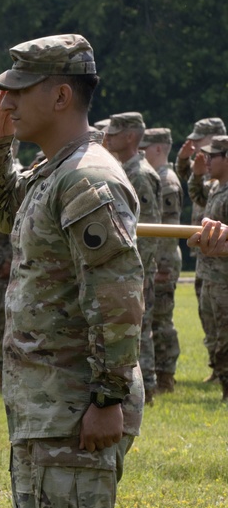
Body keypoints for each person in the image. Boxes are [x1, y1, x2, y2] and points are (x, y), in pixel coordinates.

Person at [0, 34, 143, 508]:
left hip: (76, 404)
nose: (6, 100)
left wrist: (106, 397)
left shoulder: (87, 179)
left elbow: (117, 298)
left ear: (62, 94)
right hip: (50, 403)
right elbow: (0, 211)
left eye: (19, 90)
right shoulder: (54, 171)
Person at [104, 112, 161, 403]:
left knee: (141, 325)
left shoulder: (140, 173)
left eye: (114, 131)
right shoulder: (125, 169)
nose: (108, 135)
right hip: (126, 266)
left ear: (129, 136)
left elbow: (149, 230)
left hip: (137, 267)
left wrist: (139, 270)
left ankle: (148, 388)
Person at [177, 117, 225, 381]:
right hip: (205, 253)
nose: (195, 145)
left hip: (220, 258)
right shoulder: (210, 174)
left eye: (200, 141)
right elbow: (194, 189)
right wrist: (187, 164)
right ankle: (217, 367)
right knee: (208, 312)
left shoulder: (220, 167)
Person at [141, 128, 183, 394]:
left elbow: (168, 228)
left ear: (158, 149)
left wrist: (163, 265)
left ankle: (165, 376)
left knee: (161, 321)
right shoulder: (158, 177)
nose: (140, 151)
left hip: (164, 258)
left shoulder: (167, 181)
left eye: (145, 147)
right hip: (160, 258)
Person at [192, 137, 228, 401]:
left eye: (212, 156)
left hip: (224, 277)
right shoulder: (216, 188)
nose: (207, 161)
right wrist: (194, 173)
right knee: (215, 334)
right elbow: (196, 193)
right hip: (210, 275)